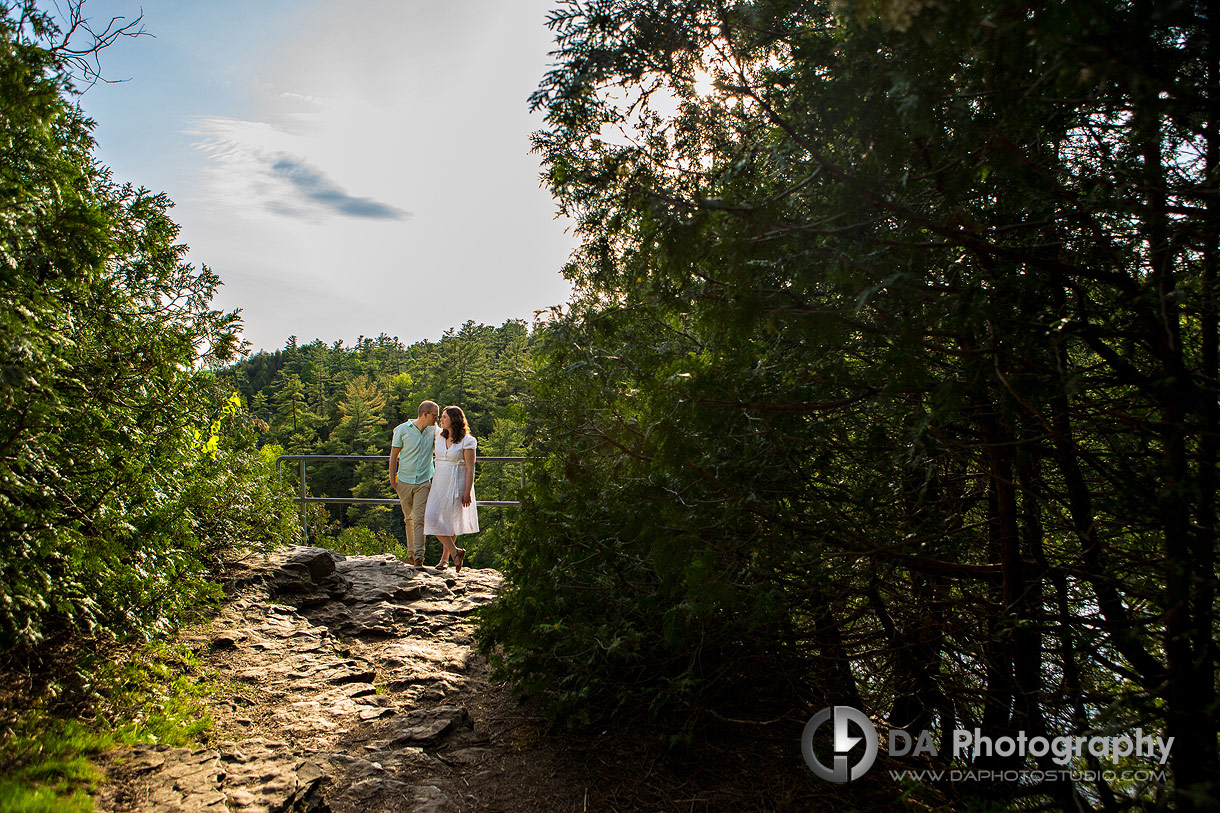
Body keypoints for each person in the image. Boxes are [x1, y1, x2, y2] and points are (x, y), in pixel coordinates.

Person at [424, 405, 479, 572]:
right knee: (431, 517)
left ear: (454, 420)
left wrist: (467, 491)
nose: (441, 419)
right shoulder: (439, 436)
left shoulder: (468, 441)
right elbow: (420, 421)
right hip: (440, 482)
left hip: (457, 482)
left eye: (445, 417)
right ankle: (456, 552)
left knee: (451, 521)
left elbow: (470, 468)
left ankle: (445, 559)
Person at [389, 400, 440, 567]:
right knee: (409, 519)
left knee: (419, 518)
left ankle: (419, 557)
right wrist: (392, 479)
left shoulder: (434, 431)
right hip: (404, 480)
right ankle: (412, 555)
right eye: (435, 415)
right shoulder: (402, 430)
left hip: (424, 480)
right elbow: (393, 456)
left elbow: (448, 437)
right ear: (425, 414)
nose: (437, 419)